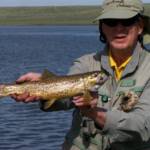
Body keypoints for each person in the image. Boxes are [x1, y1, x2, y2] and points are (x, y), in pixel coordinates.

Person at [12, 0, 150, 149]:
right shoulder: (85, 63)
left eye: (127, 21)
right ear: (102, 27)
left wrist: (94, 113)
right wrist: (44, 86)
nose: (119, 28)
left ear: (140, 27)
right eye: (111, 22)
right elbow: (66, 99)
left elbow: (143, 127)